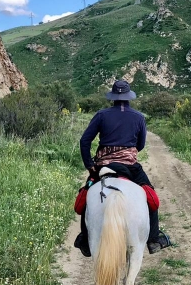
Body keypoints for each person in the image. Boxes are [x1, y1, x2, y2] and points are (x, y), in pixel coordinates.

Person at [74, 79, 172, 257]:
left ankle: (85, 239)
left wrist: (90, 166)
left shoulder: (101, 115)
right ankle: (154, 239)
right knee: (151, 196)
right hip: (130, 167)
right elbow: (140, 144)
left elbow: (84, 141)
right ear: (129, 97)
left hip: (104, 165)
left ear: (112, 97)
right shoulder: (138, 117)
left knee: (87, 195)